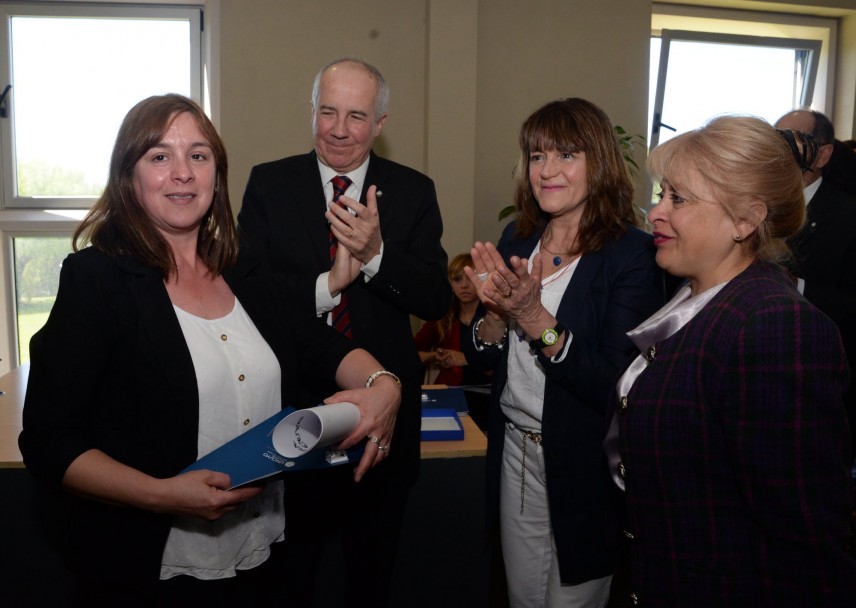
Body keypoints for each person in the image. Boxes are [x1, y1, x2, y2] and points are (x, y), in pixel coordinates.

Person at [17, 94, 402, 606]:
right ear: (128, 176)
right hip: (152, 568)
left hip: (267, 553)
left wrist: (384, 385)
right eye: (159, 156)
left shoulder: (242, 270)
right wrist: (162, 495)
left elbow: (318, 344)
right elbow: (48, 441)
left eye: (198, 156)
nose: (182, 172)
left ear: (216, 175)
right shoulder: (97, 280)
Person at [605, 115, 856, 605]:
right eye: (662, 194)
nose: (655, 213)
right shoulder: (694, 297)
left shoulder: (774, 327)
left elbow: (802, 539)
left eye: (679, 199)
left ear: (746, 220)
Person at [237, 58, 451, 607]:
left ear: (379, 123)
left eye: (356, 116)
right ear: (311, 111)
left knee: (370, 578)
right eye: (327, 111)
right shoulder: (269, 184)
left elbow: (434, 296)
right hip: (291, 415)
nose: (338, 128)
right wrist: (324, 286)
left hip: (383, 426)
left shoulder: (413, 192)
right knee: (291, 580)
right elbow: (247, 294)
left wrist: (375, 256)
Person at [462, 98, 665, 607]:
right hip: (515, 453)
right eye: (536, 156)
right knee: (521, 598)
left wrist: (534, 318)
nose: (547, 170)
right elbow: (484, 358)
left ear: (598, 162)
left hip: (585, 466)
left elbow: (613, 383)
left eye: (566, 155)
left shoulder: (632, 256)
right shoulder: (519, 236)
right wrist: (493, 314)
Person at [775, 109, 856, 469]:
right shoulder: (756, 206)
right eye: (776, 138)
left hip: (817, 385)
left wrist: (797, 286)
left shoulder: (848, 217)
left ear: (822, 155)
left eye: (792, 139)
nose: (781, 149)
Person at [415, 253, 491, 386]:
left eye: (470, 279)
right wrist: (435, 356)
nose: (464, 286)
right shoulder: (442, 317)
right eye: (457, 279)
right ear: (450, 282)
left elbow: (503, 366)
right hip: (450, 392)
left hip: (487, 393)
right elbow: (412, 353)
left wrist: (465, 359)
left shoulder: (495, 316)